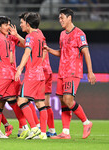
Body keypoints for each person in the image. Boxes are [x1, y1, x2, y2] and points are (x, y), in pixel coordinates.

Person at [45, 8, 96, 139]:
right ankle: (65, 132)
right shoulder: (62, 34)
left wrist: (90, 72)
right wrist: (50, 50)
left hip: (73, 72)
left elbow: (86, 53)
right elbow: (62, 53)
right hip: (62, 72)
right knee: (62, 101)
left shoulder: (79, 34)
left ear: (69, 18)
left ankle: (86, 122)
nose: (60, 20)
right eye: (59, 18)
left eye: (62, 18)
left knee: (68, 100)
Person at [15, 12, 48, 140]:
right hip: (40, 73)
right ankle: (43, 133)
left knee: (21, 101)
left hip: (32, 74)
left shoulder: (30, 36)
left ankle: (34, 129)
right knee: (40, 103)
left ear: (28, 24)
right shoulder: (40, 34)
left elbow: (27, 53)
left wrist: (20, 68)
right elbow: (44, 51)